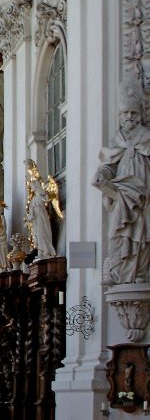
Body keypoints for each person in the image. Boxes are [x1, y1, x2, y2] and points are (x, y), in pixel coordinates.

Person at [94, 88, 150, 284]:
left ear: (140, 115)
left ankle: (139, 273)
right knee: (118, 231)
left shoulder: (146, 136)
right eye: (126, 112)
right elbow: (109, 165)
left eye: (133, 113)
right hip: (122, 191)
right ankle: (121, 273)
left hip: (144, 191)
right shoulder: (117, 140)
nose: (129, 116)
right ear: (120, 116)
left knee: (143, 232)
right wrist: (102, 175)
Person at [24, 159, 61, 259]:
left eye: (34, 186)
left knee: (42, 234)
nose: (33, 188)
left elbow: (47, 199)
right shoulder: (34, 199)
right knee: (37, 236)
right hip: (36, 219)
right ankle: (41, 251)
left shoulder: (41, 195)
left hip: (42, 217)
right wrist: (29, 218)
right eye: (32, 187)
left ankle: (47, 251)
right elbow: (31, 210)